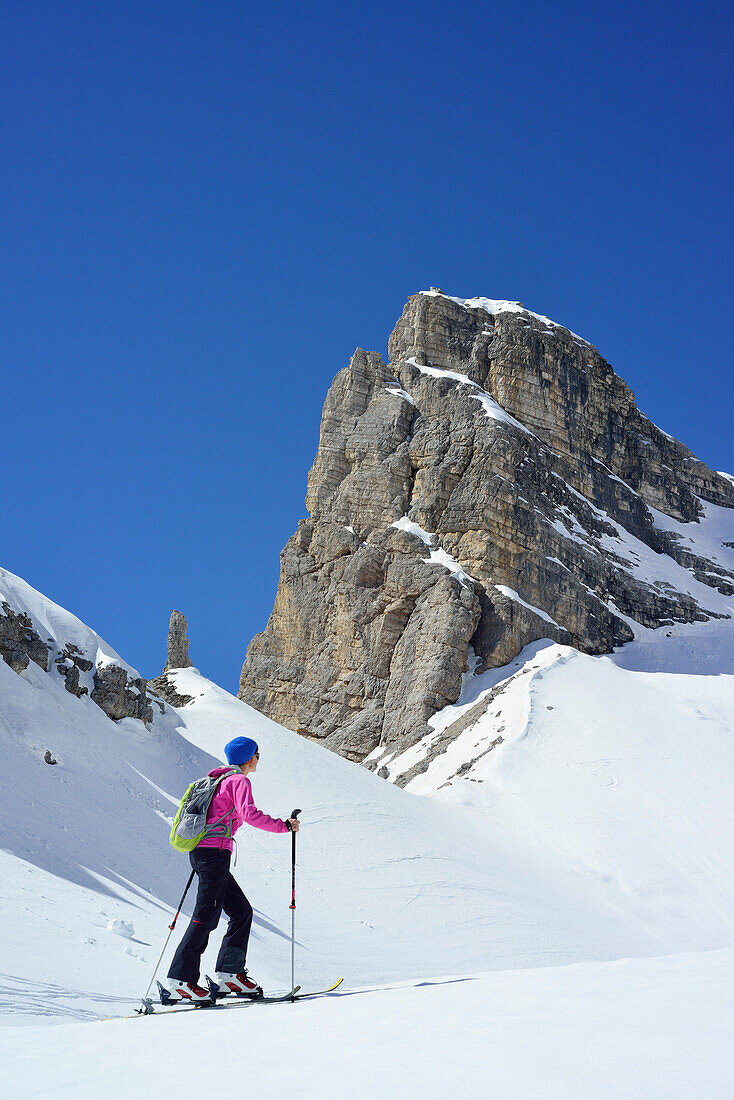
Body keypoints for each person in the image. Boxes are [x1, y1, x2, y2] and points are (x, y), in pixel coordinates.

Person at [164, 735, 300, 1002]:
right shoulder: (239, 780)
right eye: (258, 755)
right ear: (250, 757)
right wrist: (283, 825)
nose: (258, 759)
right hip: (213, 854)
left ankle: (230, 976)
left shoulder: (218, 780)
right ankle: (180, 980)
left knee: (241, 912)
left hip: (205, 852)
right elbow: (249, 814)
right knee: (206, 915)